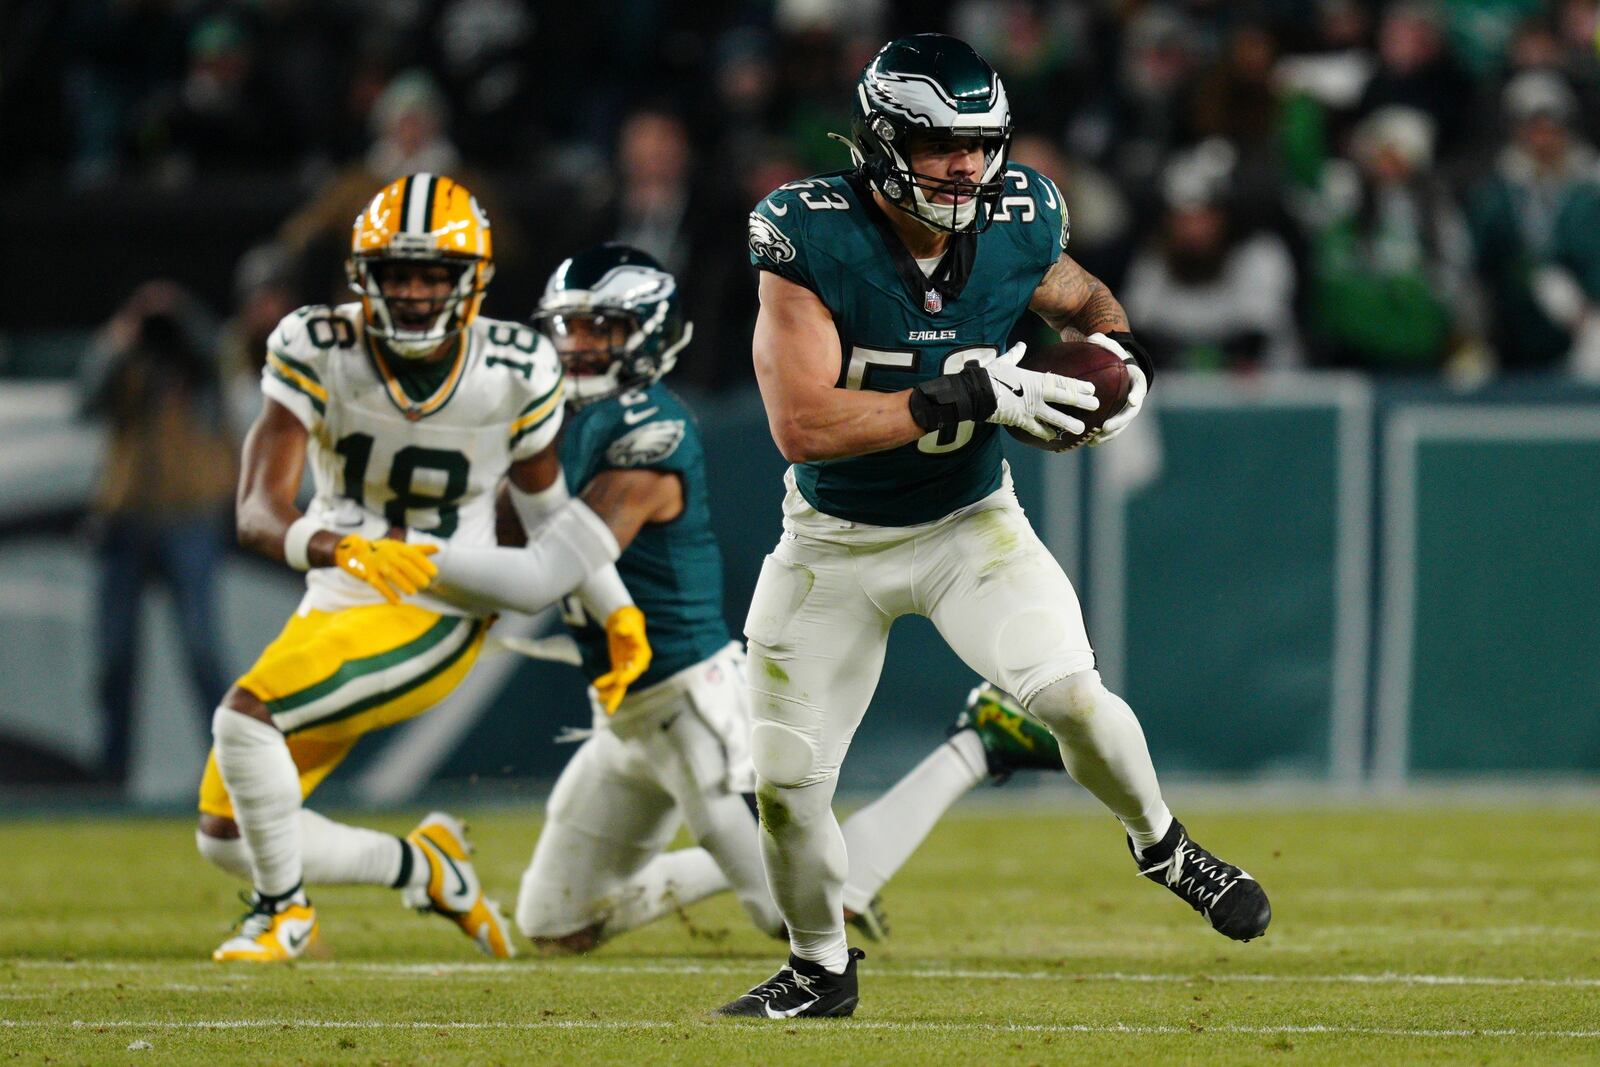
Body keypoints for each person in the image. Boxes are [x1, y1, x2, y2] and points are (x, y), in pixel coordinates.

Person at [723, 34, 1272, 1019]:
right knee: (783, 780)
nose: (967, 166)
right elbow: (802, 425)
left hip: (967, 526)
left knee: (1070, 694)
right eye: (940, 144)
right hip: (832, 543)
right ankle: (819, 967)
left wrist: (1116, 358)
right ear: (886, 141)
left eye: (980, 142)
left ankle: (1162, 843)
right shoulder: (807, 233)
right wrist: (964, 394)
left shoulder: (1020, 215)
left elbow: (1081, 297)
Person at [511, 244, 1066, 952]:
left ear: (647, 333)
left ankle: (979, 745)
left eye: (601, 328)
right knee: (554, 924)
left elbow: (544, 564)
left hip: (689, 705)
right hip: (626, 712)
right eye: (571, 327)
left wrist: (400, 560)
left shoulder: (647, 428)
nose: (579, 346)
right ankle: (749, 858)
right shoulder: (559, 419)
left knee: (797, 911)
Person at [196, 173, 653, 963]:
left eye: (431, 273)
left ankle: (282, 915)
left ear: (469, 281)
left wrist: (612, 609)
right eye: (396, 272)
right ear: (362, 277)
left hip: (438, 603)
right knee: (231, 833)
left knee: (246, 717)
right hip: (339, 592)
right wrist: (337, 546)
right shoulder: (317, 344)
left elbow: (548, 517)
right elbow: (257, 510)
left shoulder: (512, 366)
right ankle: (425, 866)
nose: (411, 292)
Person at [79, 282, 235, 788]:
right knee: (114, 657)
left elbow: (219, 361)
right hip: (125, 519)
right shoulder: (131, 365)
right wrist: (120, 338)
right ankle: (111, 776)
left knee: (202, 649)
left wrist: (183, 319)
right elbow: (86, 400)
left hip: (189, 517)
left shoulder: (201, 367)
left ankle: (229, 769)